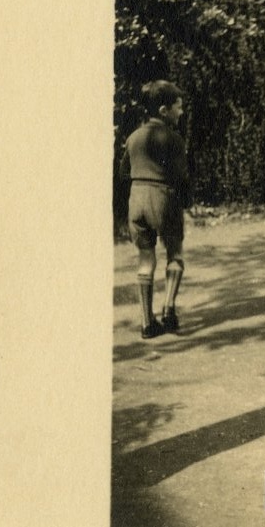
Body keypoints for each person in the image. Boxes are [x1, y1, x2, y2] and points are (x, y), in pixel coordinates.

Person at [118, 80, 191, 339]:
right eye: (178, 107)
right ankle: (169, 311)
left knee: (146, 259)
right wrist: (186, 201)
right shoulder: (174, 139)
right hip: (163, 199)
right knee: (175, 254)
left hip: (137, 200)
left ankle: (147, 323)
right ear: (164, 110)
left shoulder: (133, 137)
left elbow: (123, 173)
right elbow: (182, 177)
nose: (181, 112)